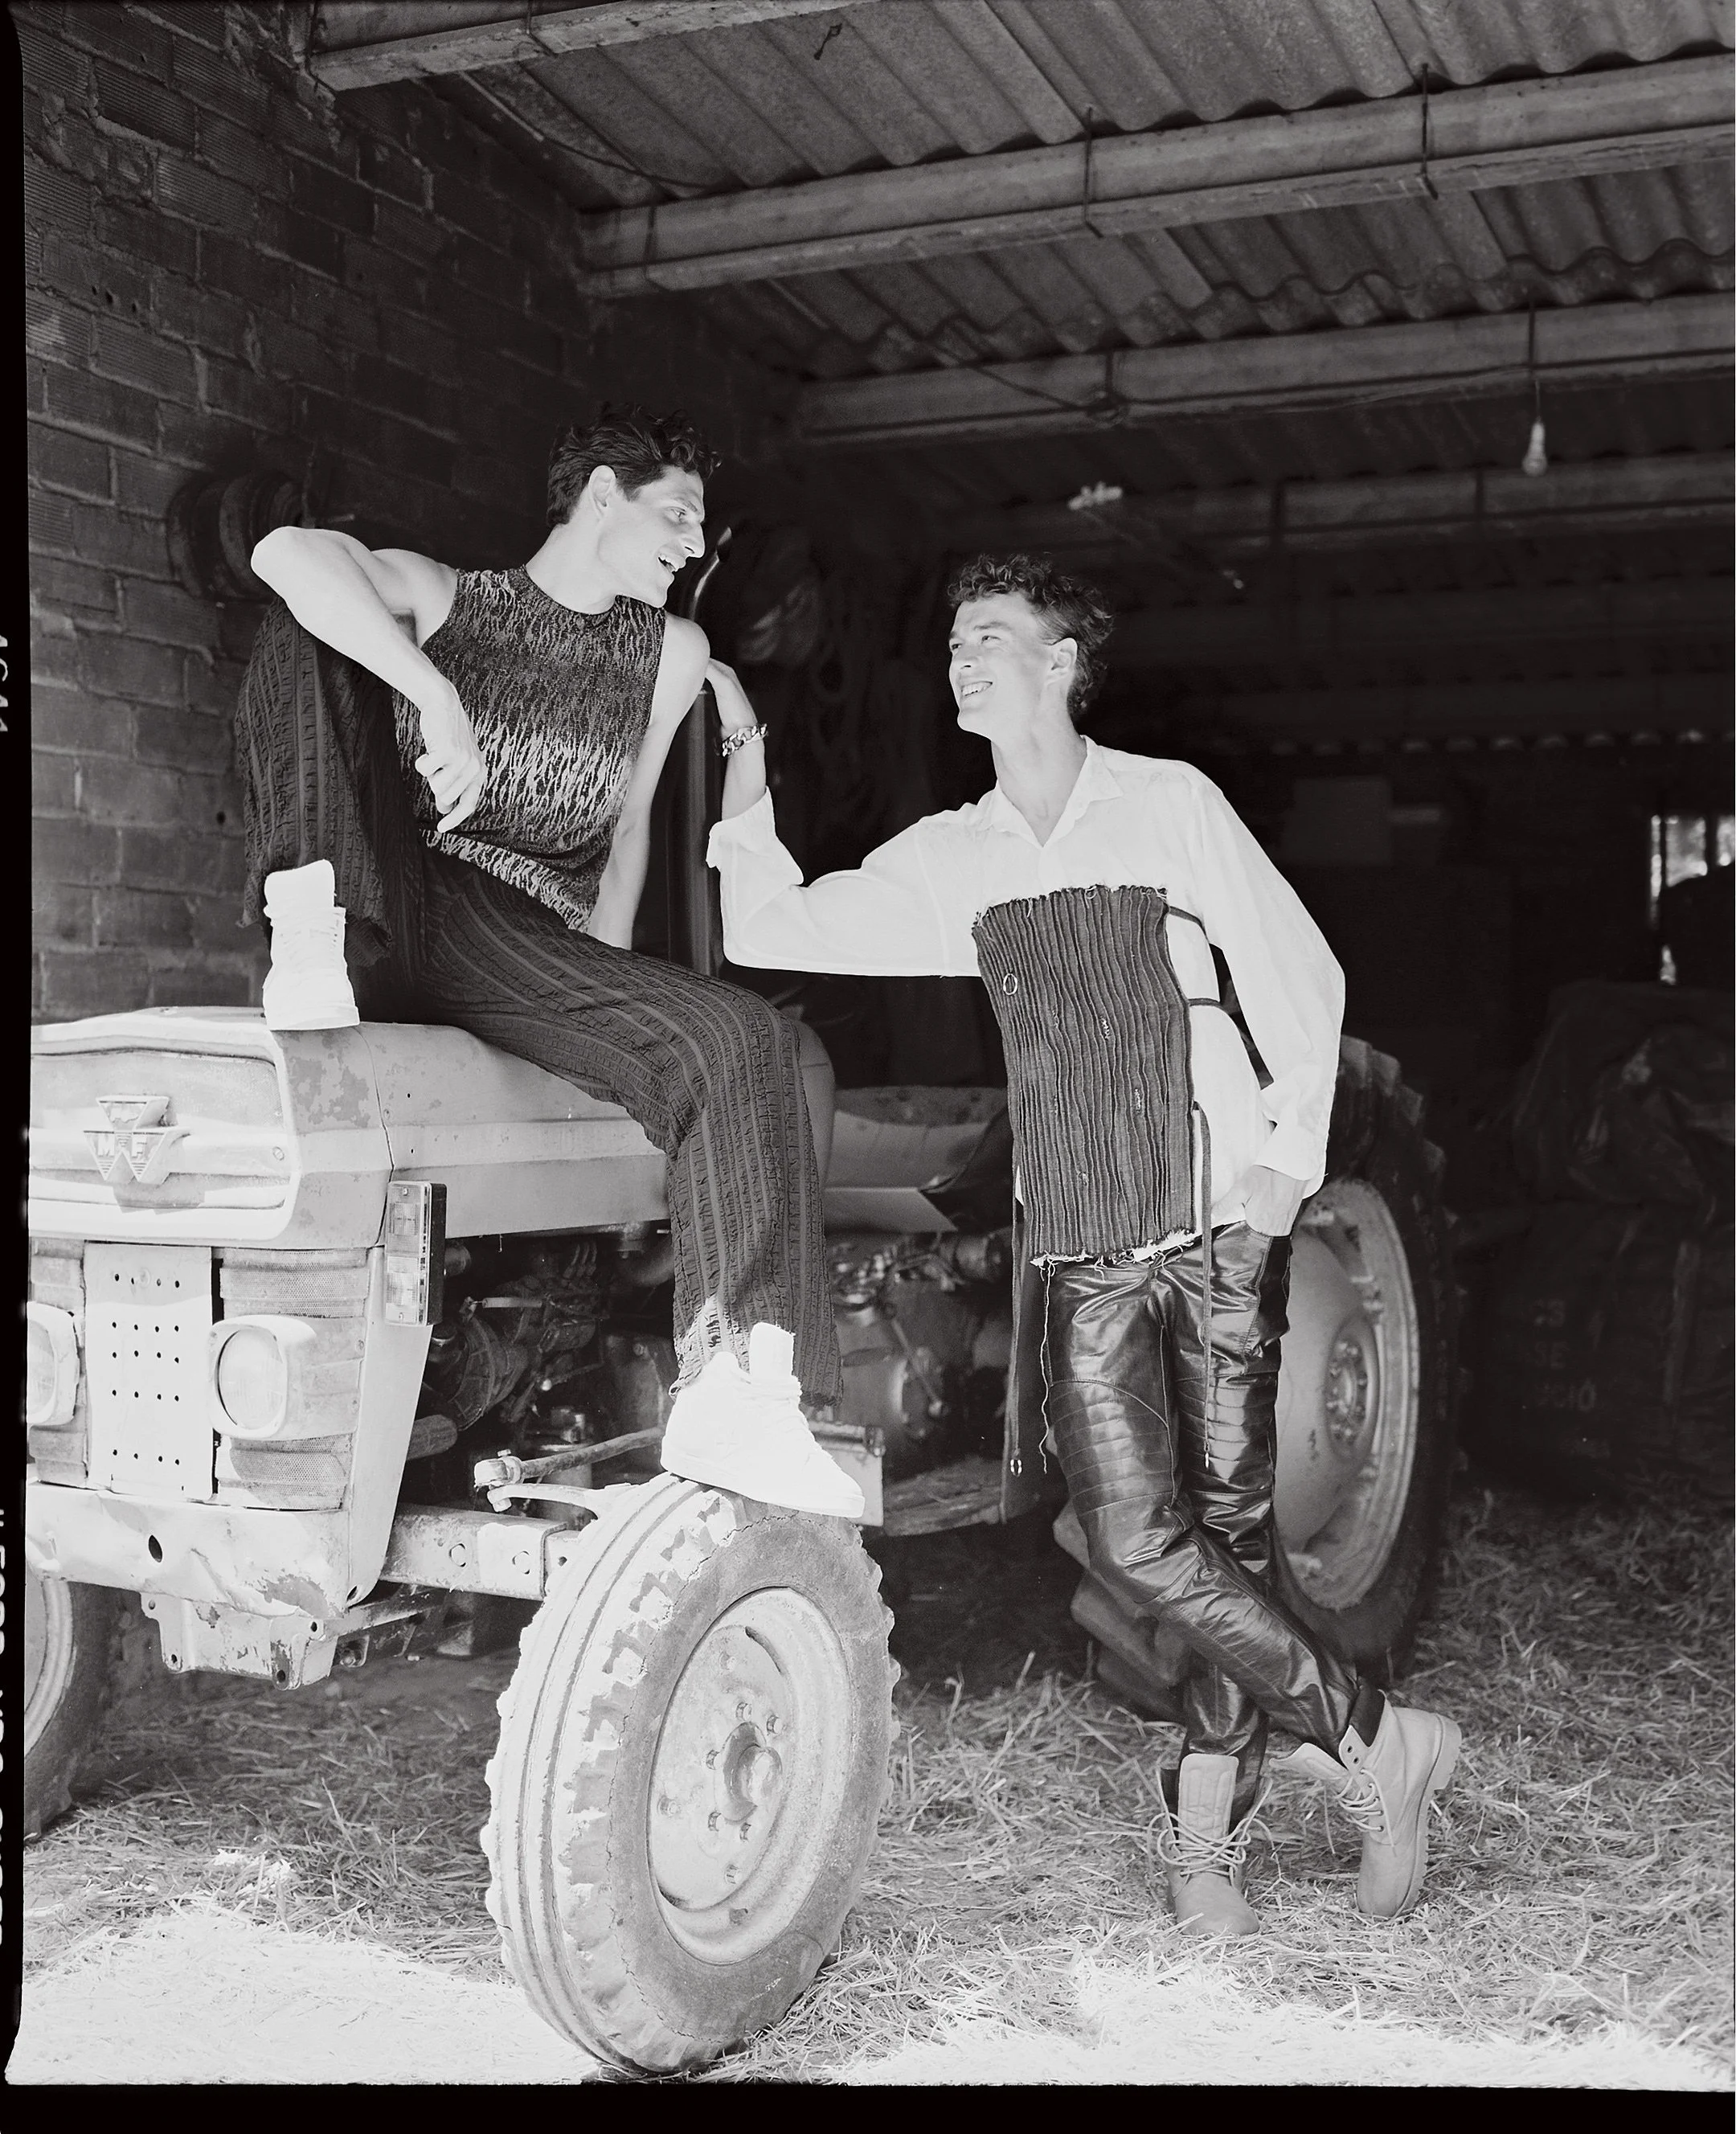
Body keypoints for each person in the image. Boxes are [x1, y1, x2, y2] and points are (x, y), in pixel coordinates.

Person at [705, 552, 1462, 1934]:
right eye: (950, 640)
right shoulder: (956, 856)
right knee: (1132, 1535)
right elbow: (767, 921)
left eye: (990, 634)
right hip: (1087, 1237)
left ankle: (1205, 1849)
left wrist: (1283, 1175)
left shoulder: (1169, 806)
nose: (961, 657)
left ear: (1063, 663)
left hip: (1217, 1219)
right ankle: (1377, 1742)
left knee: (1226, 1536)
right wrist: (747, 764)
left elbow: (1302, 973)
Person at [241, 404, 860, 1518]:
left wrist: (610, 1014)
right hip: (387, 905)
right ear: (603, 495)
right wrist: (431, 689)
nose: (691, 545)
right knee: (306, 614)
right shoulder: (448, 597)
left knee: (748, 1038)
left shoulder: (671, 653)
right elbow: (280, 551)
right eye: (678, 514)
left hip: (520, 942)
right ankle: (306, 914)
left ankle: (741, 1391)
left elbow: (622, 843)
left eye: (701, 532)